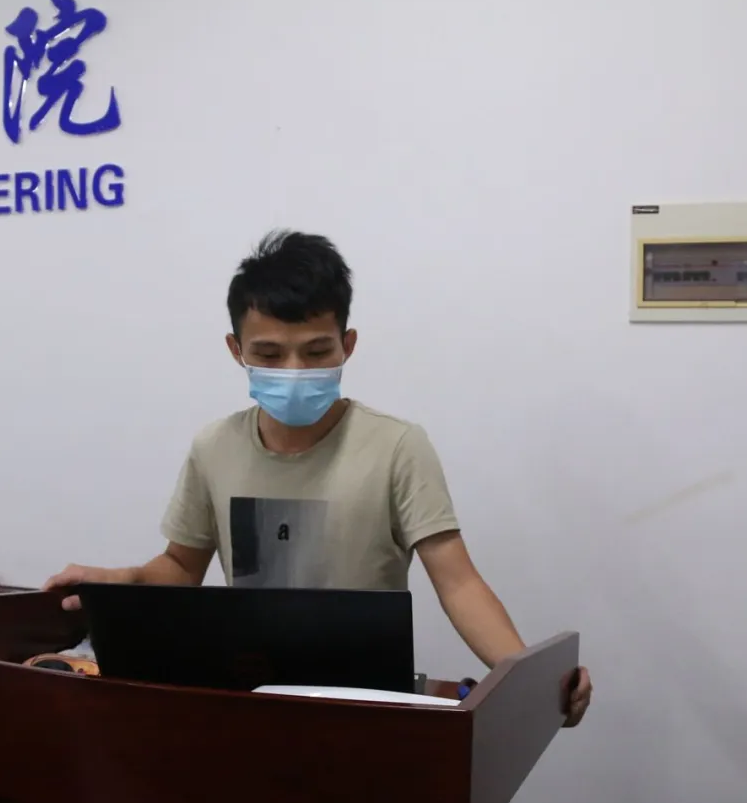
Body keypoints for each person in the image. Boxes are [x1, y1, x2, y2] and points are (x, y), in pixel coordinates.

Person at [44, 230, 592, 725]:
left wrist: (529, 679)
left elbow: (458, 582)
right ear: (236, 351)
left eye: (316, 351)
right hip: (249, 701)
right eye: (269, 353)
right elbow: (182, 567)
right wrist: (121, 583)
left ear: (347, 345)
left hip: (365, 707)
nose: (294, 371)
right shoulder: (215, 447)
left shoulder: (396, 446)